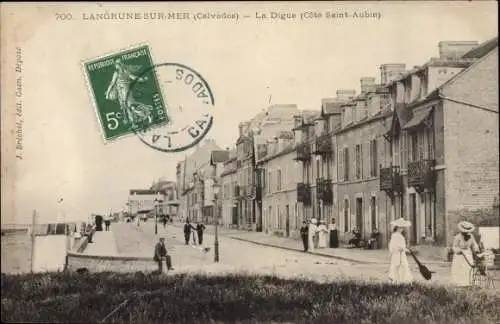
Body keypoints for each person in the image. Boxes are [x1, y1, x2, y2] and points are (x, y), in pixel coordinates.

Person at [451, 221, 479, 287]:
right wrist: (458, 251)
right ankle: (458, 283)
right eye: (464, 232)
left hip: (468, 254)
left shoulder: (471, 236)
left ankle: (468, 282)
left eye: (467, 231)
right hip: (460, 255)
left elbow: (474, 244)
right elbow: (454, 247)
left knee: (468, 268)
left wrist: (476, 249)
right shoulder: (457, 237)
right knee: (459, 269)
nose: (466, 233)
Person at [388, 218, 413, 284]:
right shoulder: (396, 235)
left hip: (401, 254)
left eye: (403, 227)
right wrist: (405, 249)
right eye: (401, 228)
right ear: (398, 228)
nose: (402, 229)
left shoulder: (397, 235)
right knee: (399, 267)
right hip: (398, 254)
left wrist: (405, 249)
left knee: (402, 267)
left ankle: (400, 281)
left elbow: (400, 246)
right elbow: (395, 246)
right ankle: (399, 281)